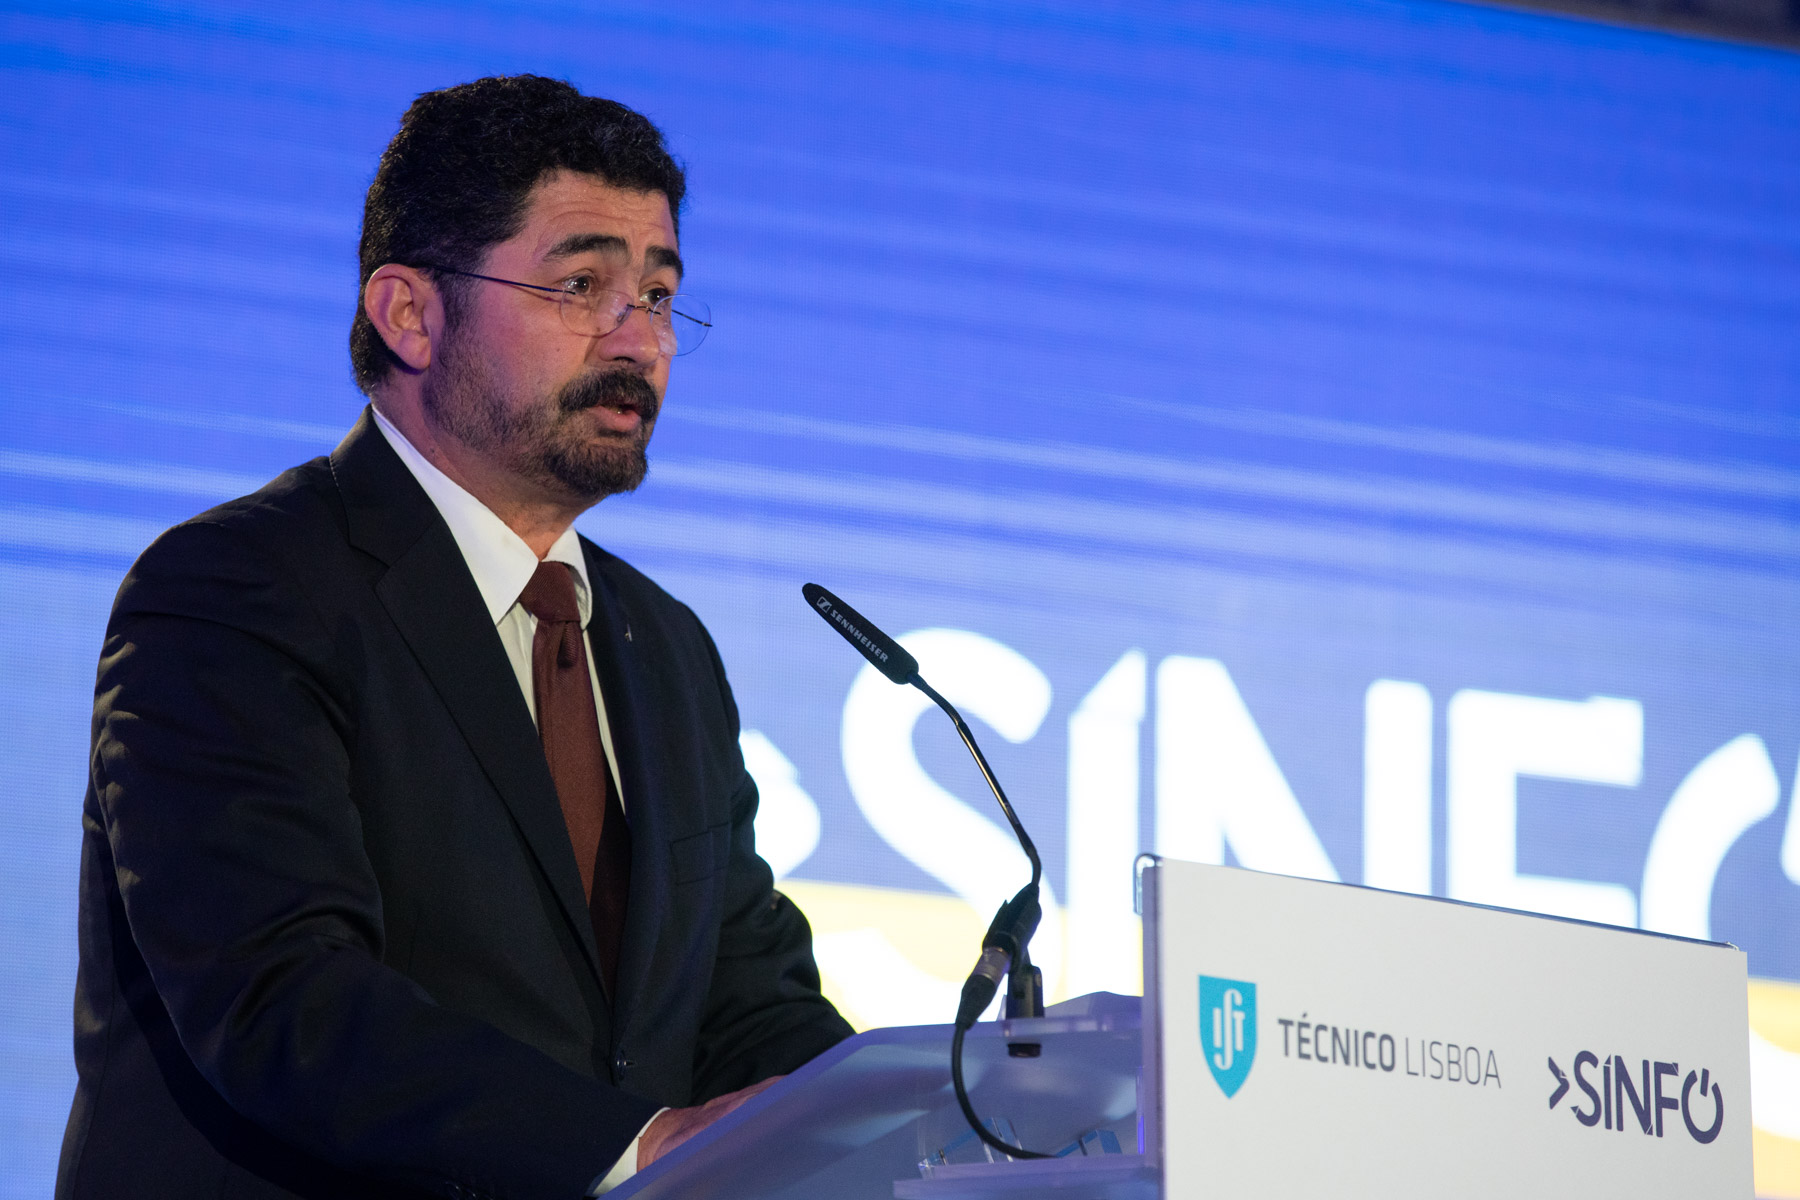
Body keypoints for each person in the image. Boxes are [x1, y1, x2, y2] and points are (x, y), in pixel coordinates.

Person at [56, 75, 853, 1200]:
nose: (641, 340)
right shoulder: (238, 589)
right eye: (581, 285)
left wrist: (929, 1121)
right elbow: (284, 1002)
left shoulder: (665, 646)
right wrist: (631, 1149)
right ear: (411, 314)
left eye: (660, 294)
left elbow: (744, 1002)